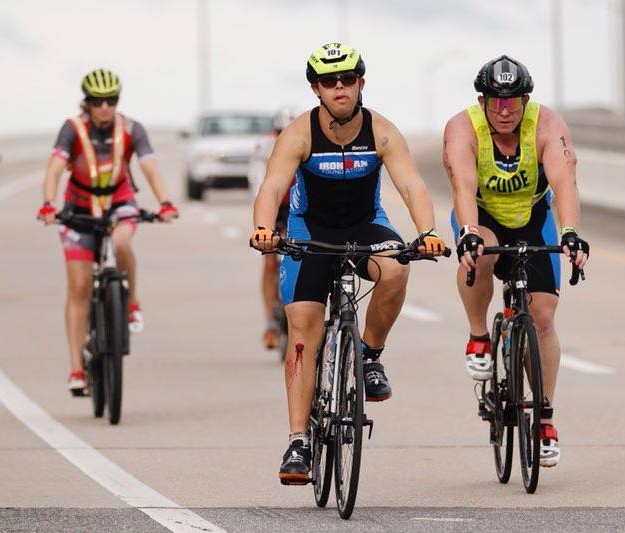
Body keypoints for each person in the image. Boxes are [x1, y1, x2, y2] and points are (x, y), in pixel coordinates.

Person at [250, 43, 447, 484]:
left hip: (365, 227)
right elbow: (271, 186)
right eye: (329, 81)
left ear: (360, 82)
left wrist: (428, 232)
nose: (339, 88)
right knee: (302, 327)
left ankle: (370, 355)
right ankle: (299, 441)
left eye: (348, 79)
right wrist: (264, 228)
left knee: (397, 268)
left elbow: (413, 186)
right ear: (316, 88)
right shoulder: (299, 134)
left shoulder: (382, 131)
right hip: (309, 232)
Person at [442, 55, 590, 467]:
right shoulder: (462, 128)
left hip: (532, 217)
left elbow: (564, 183)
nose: (504, 110)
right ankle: (478, 336)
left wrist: (570, 233)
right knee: (481, 253)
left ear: (526, 99)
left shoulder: (547, 126)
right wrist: (469, 231)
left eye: (513, 101)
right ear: (482, 99)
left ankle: (543, 418)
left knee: (542, 316)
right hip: (482, 215)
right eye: (495, 101)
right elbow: (463, 185)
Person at [37, 68, 178, 393]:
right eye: (98, 101)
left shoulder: (132, 128)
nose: (104, 107)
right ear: (86, 102)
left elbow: (149, 166)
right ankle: (76, 368)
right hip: (79, 208)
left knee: (122, 240)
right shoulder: (72, 128)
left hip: (119, 201)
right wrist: (48, 203)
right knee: (80, 285)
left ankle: (131, 302)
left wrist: (165, 201)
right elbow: (56, 166)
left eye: (111, 101)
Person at [248, 106, 299, 350]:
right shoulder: (265, 147)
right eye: (280, 132)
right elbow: (260, 183)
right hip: (275, 206)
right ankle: (270, 322)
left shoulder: (306, 141)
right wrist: (264, 228)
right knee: (270, 261)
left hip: (297, 206)